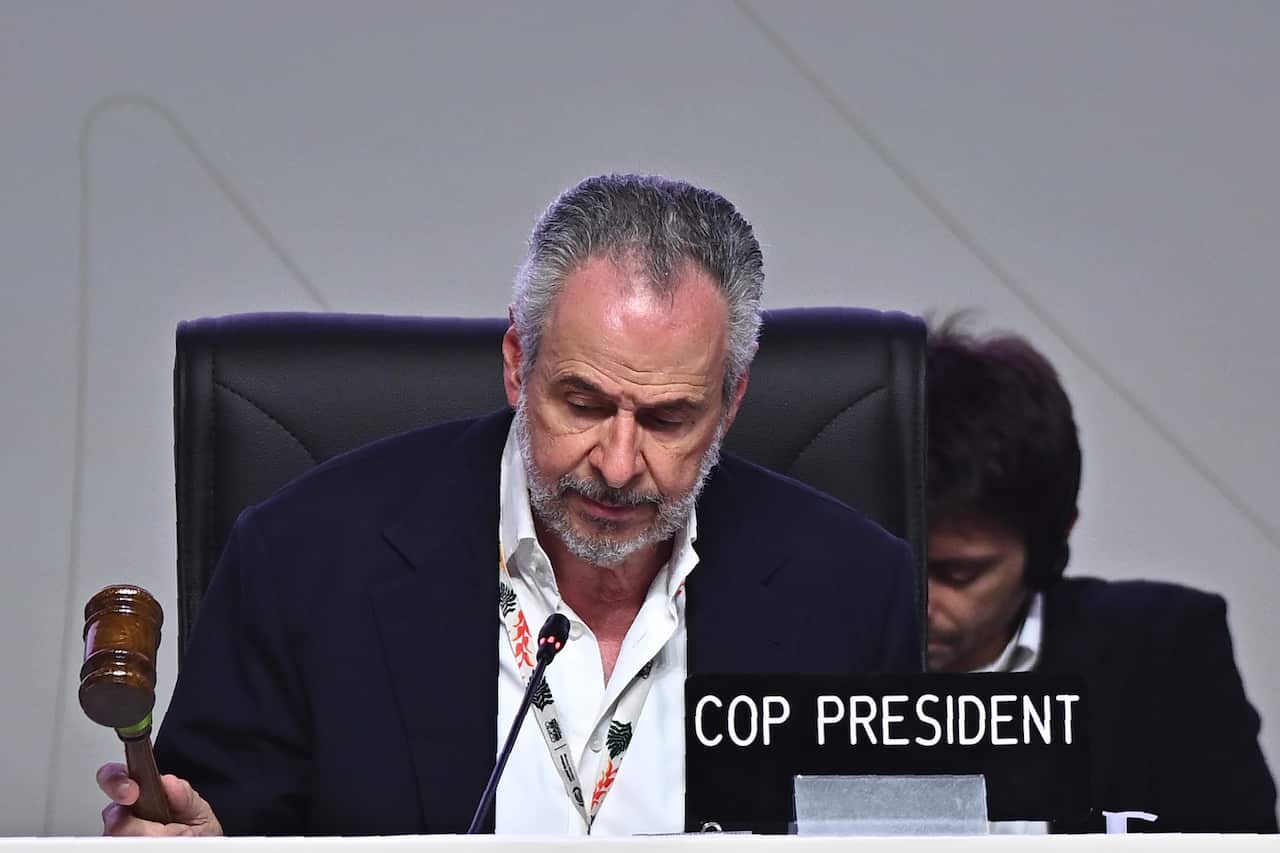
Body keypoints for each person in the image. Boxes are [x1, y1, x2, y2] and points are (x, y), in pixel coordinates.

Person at [97, 174, 921, 836]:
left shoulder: (854, 589)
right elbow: (212, 826)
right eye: (584, 403)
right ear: (517, 364)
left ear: (730, 403)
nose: (619, 461)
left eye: (669, 418)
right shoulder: (305, 560)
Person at [925, 318, 1276, 833]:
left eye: (957, 573)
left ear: (1049, 547)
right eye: (896, 562)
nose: (919, 599)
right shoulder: (802, 651)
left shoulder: (1165, 650)